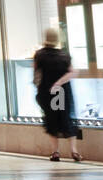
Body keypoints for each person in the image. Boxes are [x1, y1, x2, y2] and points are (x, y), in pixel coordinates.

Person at [34, 28, 82, 162]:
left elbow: (37, 74)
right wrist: (59, 83)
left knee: (52, 120)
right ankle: (74, 150)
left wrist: (39, 90)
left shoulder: (40, 55)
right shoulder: (64, 55)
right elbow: (73, 72)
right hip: (62, 93)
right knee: (66, 118)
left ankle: (55, 152)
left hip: (47, 92)